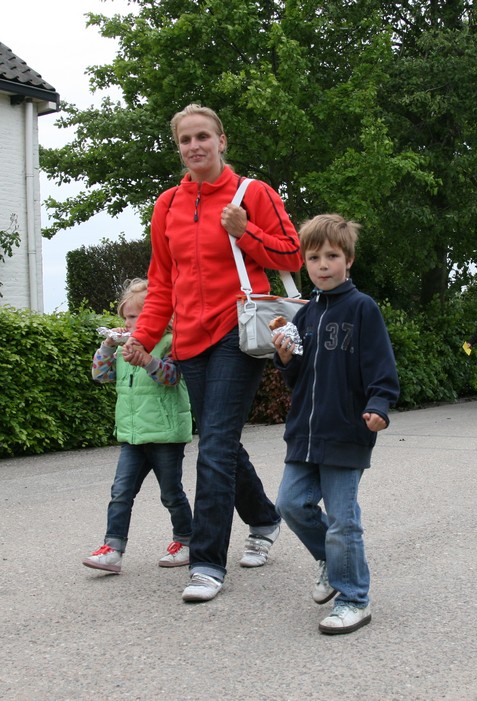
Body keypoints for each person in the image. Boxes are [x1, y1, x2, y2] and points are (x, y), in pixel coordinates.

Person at [123, 104, 303, 602]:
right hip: (189, 338)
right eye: (186, 140)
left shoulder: (253, 193)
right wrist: (144, 337)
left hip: (237, 331)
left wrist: (246, 231)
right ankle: (264, 519)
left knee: (216, 447)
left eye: (203, 136)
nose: (194, 146)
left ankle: (206, 563)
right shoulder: (167, 205)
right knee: (221, 443)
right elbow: (162, 282)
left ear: (222, 141)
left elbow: (293, 254)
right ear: (179, 148)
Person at [271, 214, 399, 635]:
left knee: (343, 519)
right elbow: (297, 377)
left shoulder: (363, 308)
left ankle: (354, 598)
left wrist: (379, 406)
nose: (323, 265)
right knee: (291, 504)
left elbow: (381, 368)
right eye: (314, 258)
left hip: (346, 431)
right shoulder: (304, 316)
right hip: (304, 432)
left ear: (349, 260)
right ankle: (331, 559)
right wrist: (285, 358)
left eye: (332, 256)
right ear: (304, 263)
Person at [83, 279, 194, 574]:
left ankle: (186, 539)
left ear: (156, 316)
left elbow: (171, 377)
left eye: (134, 317)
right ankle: (112, 548)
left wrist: (147, 360)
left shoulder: (171, 342)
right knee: (121, 492)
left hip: (165, 434)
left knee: (170, 493)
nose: (128, 323)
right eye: (126, 317)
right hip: (132, 435)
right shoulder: (124, 347)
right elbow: (99, 375)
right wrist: (108, 345)